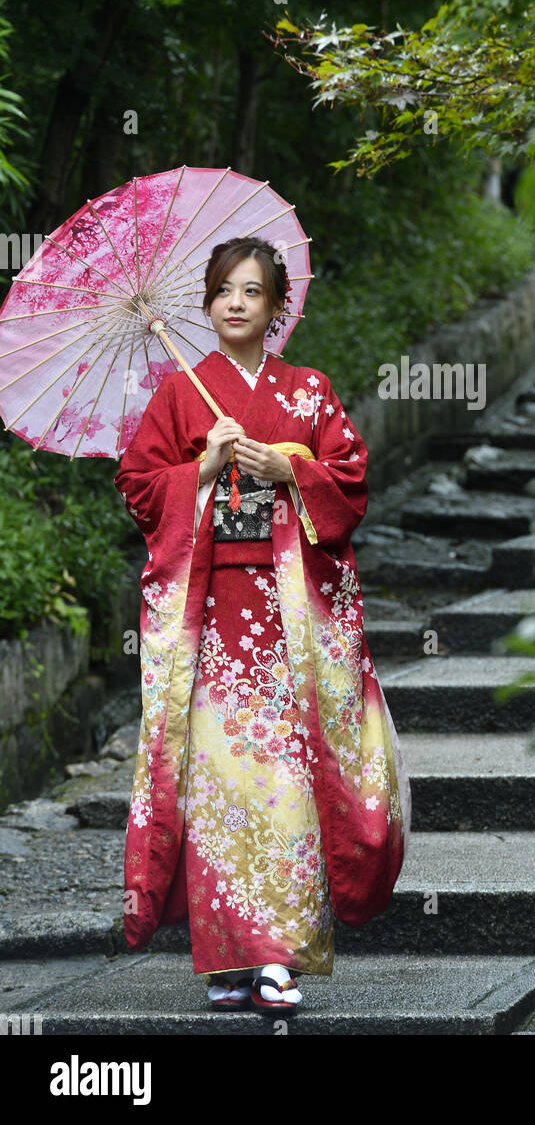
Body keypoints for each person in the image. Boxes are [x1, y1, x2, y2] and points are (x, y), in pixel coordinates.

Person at [114, 236, 411, 1014]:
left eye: (252, 291)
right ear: (206, 306)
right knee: (220, 785)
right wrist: (203, 468)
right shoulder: (181, 395)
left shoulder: (309, 391)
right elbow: (140, 488)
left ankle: (280, 955)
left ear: (279, 307)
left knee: (285, 781)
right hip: (212, 615)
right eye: (222, 291)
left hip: (287, 619)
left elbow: (349, 480)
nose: (236, 303)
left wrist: (293, 470)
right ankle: (228, 963)